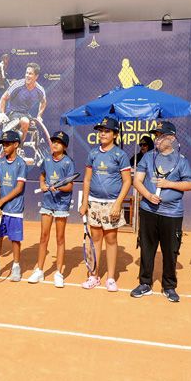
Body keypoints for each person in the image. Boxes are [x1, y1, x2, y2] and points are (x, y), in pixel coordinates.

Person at [130, 121, 191, 302]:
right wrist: (148, 196)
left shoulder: (182, 161)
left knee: (170, 251)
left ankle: (169, 286)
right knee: (147, 248)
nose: (156, 139)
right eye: (155, 135)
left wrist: (168, 184)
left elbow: (189, 184)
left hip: (172, 214)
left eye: (160, 135)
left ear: (171, 138)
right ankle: (145, 283)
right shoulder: (148, 157)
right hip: (148, 211)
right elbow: (137, 181)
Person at [79, 117, 132, 292]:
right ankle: (93, 276)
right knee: (95, 240)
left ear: (115, 134)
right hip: (94, 202)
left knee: (111, 239)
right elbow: (87, 180)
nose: (102, 133)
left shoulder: (120, 155)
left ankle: (110, 278)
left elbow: (127, 182)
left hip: (111, 204)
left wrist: (117, 204)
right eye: (101, 130)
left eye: (107, 131)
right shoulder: (93, 153)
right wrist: (84, 203)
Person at [28, 131, 76, 288]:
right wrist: (42, 185)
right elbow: (42, 175)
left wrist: (59, 188)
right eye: (53, 141)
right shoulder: (47, 160)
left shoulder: (68, 163)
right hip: (48, 202)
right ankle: (40, 270)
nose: (54, 144)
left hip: (62, 204)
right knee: (43, 236)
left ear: (64, 146)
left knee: (60, 238)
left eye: (58, 142)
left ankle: (58, 273)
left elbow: (69, 186)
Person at [0, 130, 27, 281]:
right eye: (3, 145)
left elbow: (19, 188)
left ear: (16, 145)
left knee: (15, 239)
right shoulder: (1, 162)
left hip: (15, 209)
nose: (4, 147)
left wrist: (2, 201)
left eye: (7, 144)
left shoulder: (21, 163)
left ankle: (16, 267)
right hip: (2, 209)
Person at [0, 62, 47, 139]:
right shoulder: (18, 85)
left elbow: (43, 102)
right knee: (25, 121)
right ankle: (19, 145)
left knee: (30, 122)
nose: (27, 75)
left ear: (36, 76)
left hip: (25, 114)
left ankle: (19, 144)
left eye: (30, 74)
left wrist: (39, 115)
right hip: (12, 113)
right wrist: (2, 113)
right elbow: (3, 98)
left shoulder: (39, 90)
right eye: (26, 73)